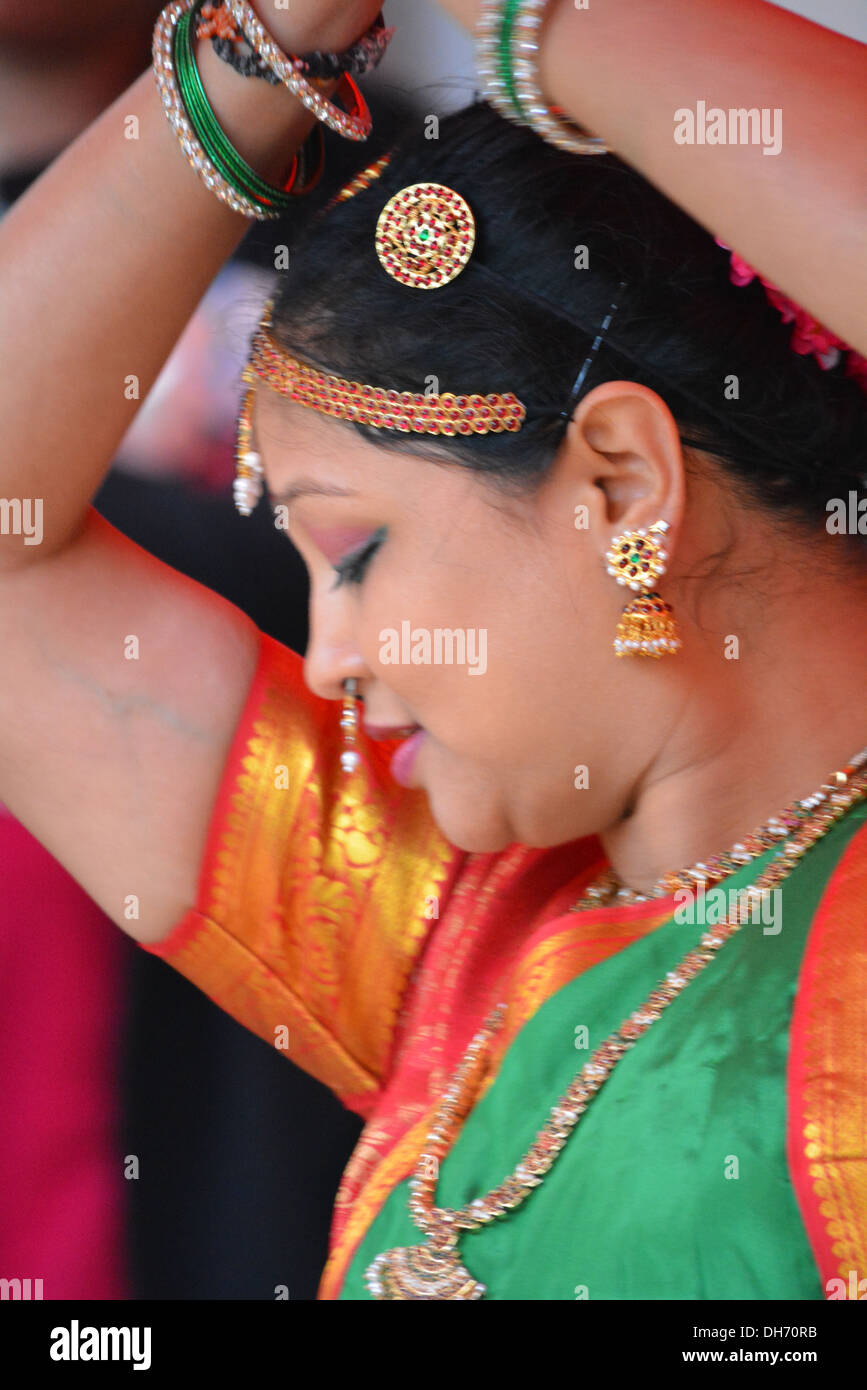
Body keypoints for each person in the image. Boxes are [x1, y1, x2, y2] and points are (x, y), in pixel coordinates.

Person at [0, 0, 864, 1302]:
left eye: (353, 557)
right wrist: (262, 51)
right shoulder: (456, 940)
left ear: (624, 487)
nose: (329, 656)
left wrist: (529, 16)